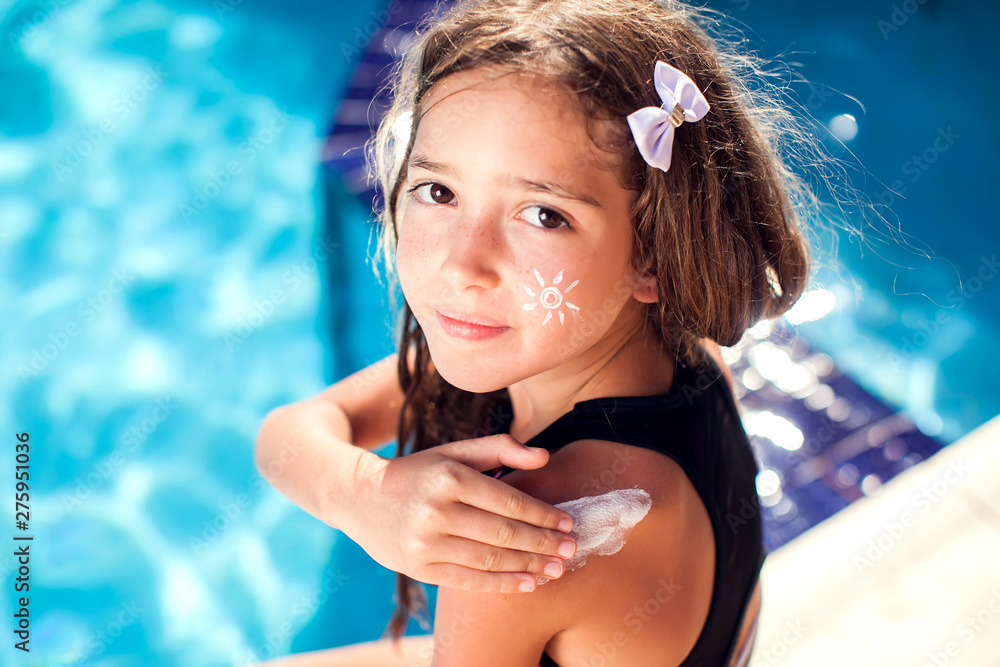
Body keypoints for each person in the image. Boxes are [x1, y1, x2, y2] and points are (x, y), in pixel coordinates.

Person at [255, 0, 822, 664]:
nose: (463, 265)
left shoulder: (530, 542)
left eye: (543, 214)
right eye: (438, 192)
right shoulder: (679, 356)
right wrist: (364, 496)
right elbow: (292, 431)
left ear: (654, 255)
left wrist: (363, 496)